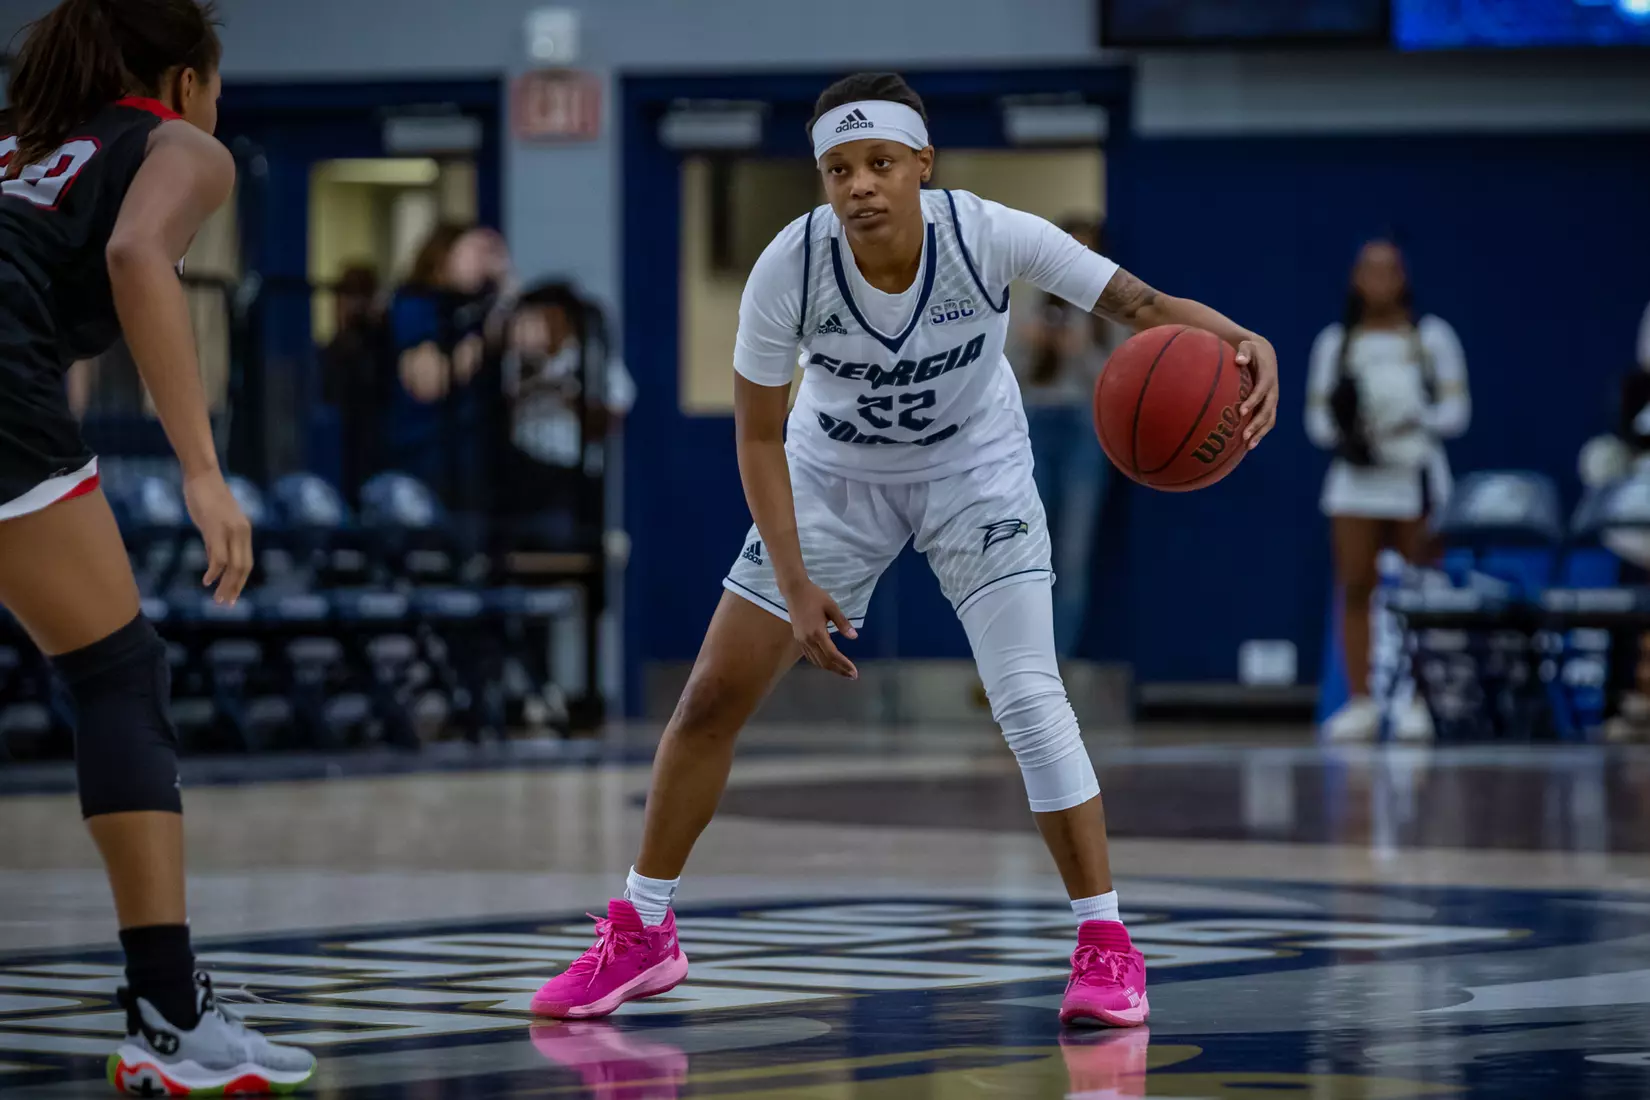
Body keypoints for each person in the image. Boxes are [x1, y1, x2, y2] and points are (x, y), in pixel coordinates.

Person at [529, 72, 1280, 1029]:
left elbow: (1137, 304)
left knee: (1029, 697)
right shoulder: (788, 267)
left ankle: (1105, 944)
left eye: (880, 163)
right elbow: (758, 436)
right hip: (835, 481)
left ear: (922, 164)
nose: (860, 186)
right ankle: (643, 932)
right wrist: (796, 582)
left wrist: (1240, 338)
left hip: (976, 474)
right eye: (839, 169)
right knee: (711, 696)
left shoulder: (989, 234)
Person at [0, 1, 315, 1093]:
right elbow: (141, 255)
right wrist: (202, 468)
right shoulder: (179, 146)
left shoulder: (19, 144)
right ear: (183, 82)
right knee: (119, 670)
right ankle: (169, 1015)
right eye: (217, 86)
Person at [1305, 240, 1470, 743]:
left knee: (1421, 589)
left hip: (1413, 476)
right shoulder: (1336, 342)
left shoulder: (1431, 338)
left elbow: (1457, 414)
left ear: (1404, 277)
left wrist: (1408, 415)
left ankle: (1419, 699)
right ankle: (1362, 702)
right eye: (1369, 270)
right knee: (1356, 586)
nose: (1379, 281)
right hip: (1357, 480)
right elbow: (1316, 422)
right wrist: (1358, 429)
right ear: (1355, 278)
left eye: (1389, 270)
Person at [1016, 217, 1127, 656]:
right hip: (1034, 426)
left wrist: (1080, 354)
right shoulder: (1029, 305)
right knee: (1026, 550)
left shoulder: (1111, 314)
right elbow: (1001, 376)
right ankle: (1018, 660)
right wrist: (1034, 345)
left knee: (1072, 555)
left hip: (1085, 429)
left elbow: (1120, 384)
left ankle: (1054, 662)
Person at [385, 223, 512, 509]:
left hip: (479, 464)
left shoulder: (486, 308)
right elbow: (430, 383)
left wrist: (507, 289)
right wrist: (479, 343)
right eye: (476, 251)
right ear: (444, 255)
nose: (486, 262)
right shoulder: (416, 304)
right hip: (426, 455)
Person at [500, 281, 635, 546]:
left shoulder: (587, 358)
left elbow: (617, 406)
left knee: (560, 536)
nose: (520, 332)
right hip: (519, 469)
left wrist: (573, 398)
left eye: (532, 322)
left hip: (569, 473)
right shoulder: (513, 365)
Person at [319, 264, 388, 502]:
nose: (353, 306)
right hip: (337, 451)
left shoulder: (382, 345)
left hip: (377, 447)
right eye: (347, 296)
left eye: (361, 296)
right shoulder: (329, 353)